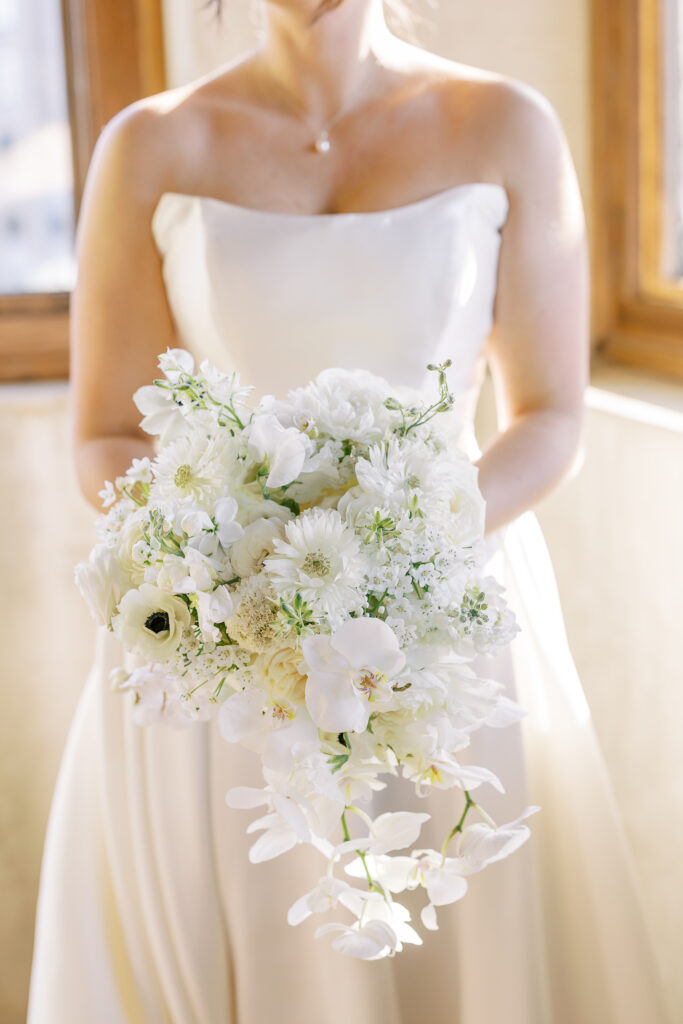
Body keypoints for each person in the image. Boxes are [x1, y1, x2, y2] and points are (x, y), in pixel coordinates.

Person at [27, 0, 673, 1021]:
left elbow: (548, 416)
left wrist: (407, 550)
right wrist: (231, 565)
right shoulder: (150, 144)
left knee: (462, 926)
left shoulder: (505, 124)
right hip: (224, 638)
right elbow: (108, 431)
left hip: (446, 618)